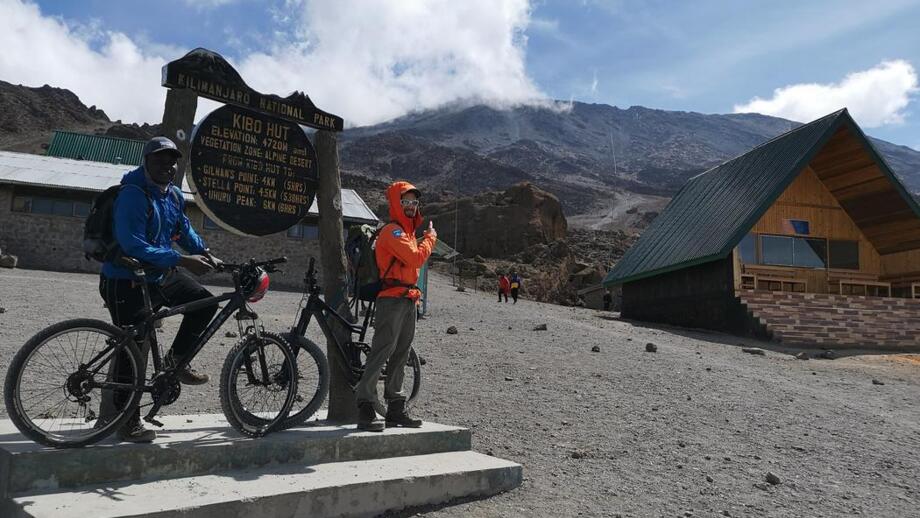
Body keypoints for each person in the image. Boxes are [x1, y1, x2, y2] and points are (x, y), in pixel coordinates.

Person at [99, 137, 222, 443]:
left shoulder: (173, 195)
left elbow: (182, 229)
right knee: (134, 347)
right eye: (159, 160)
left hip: (157, 275)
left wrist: (204, 252)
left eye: (172, 161)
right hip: (124, 279)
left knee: (205, 302)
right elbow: (133, 244)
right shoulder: (133, 194)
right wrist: (182, 260)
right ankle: (127, 421)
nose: (167, 166)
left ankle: (174, 363)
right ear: (146, 161)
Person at [355, 181, 436, 431]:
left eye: (414, 202)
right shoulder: (393, 232)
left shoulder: (408, 233)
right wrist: (431, 239)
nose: (411, 207)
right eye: (406, 202)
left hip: (408, 298)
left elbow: (412, 259)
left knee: (401, 353)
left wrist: (420, 239)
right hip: (391, 299)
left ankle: (395, 409)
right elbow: (415, 257)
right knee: (383, 350)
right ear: (395, 204)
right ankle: (365, 405)